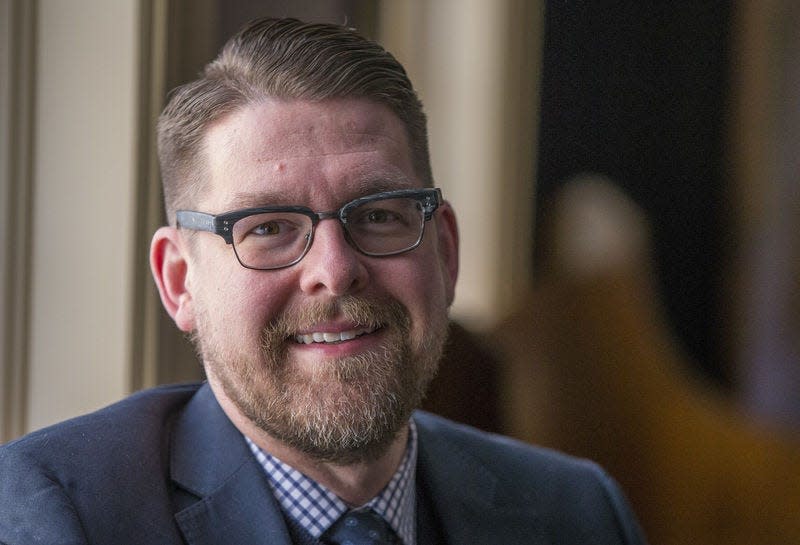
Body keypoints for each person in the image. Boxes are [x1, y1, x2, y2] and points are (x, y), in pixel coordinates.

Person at [0, 17, 646, 545]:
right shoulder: (56, 514)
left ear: (445, 251)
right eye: (269, 227)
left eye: (379, 216)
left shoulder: (577, 511)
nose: (336, 269)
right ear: (179, 283)